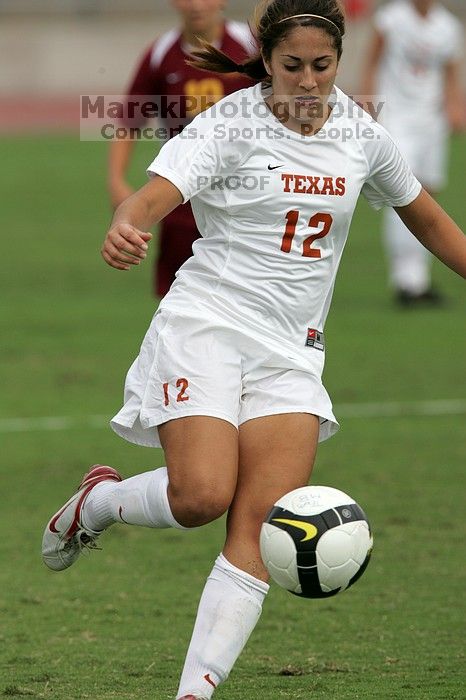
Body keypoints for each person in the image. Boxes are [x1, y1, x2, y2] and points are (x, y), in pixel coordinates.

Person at [42, 1, 466, 698]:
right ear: (266, 60)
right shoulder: (229, 124)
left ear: (339, 62)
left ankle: (193, 692)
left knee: (264, 523)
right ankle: (98, 504)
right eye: (292, 66)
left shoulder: (363, 135)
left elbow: (425, 217)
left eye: (321, 67)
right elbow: (149, 200)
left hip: (292, 351)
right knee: (201, 496)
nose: (307, 81)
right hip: (206, 324)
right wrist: (126, 225)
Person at [108, 0, 255, 297]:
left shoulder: (252, 46)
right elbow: (129, 120)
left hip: (245, 196)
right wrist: (116, 180)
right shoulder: (160, 55)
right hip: (181, 199)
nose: (197, 5)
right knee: (177, 299)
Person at [360, 0, 465, 306]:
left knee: (428, 194)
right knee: (403, 194)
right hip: (396, 117)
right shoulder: (390, 19)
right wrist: (366, 105)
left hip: (431, 120)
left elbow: (450, 71)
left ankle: (419, 275)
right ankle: (407, 281)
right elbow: (371, 61)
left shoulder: (448, 26)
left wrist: (455, 105)